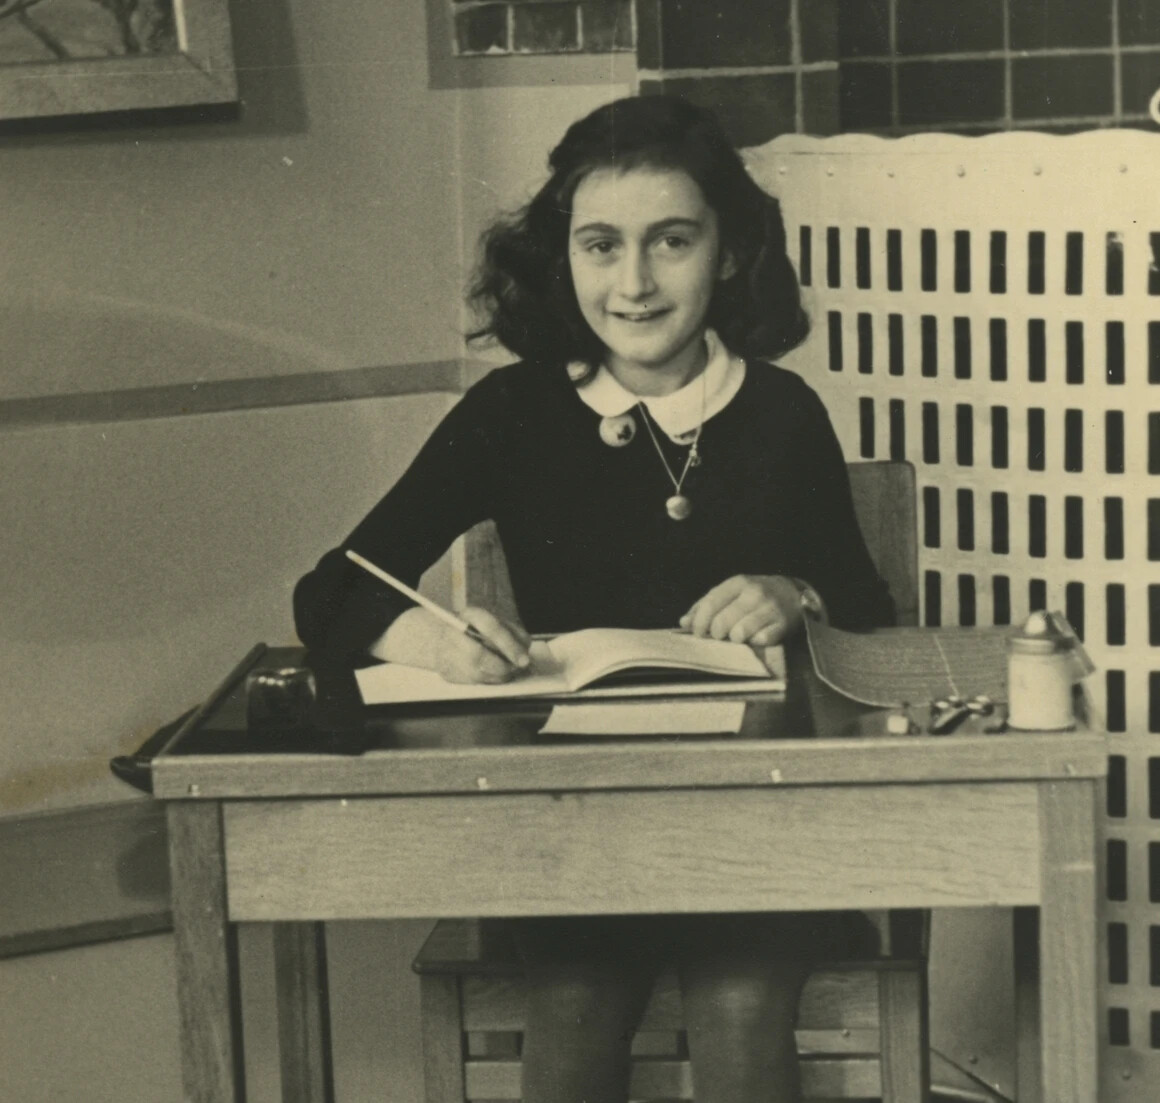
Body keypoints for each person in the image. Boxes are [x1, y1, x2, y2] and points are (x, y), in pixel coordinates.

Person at [294, 94, 893, 1103]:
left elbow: (869, 613)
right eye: (599, 244)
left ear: (733, 250)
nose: (633, 282)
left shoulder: (780, 412)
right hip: (579, 835)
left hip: (761, 830)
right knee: (570, 1009)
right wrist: (435, 645)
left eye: (671, 241)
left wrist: (797, 591)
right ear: (559, 258)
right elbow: (334, 590)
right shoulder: (511, 412)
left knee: (740, 1008)